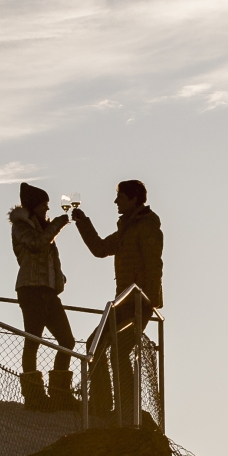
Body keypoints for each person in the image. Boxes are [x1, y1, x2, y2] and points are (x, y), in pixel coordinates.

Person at [72, 179, 163, 428]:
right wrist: (83, 222)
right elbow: (100, 248)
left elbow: (155, 264)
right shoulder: (126, 228)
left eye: (120, 197)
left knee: (120, 352)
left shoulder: (147, 227)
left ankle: (126, 408)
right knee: (95, 345)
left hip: (138, 302)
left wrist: (149, 300)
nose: (115, 202)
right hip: (123, 301)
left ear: (133, 199)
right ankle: (103, 404)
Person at [10, 183, 76, 410]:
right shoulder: (21, 226)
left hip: (47, 291)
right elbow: (36, 245)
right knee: (33, 340)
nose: (48, 210)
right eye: (44, 206)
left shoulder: (43, 228)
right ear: (34, 206)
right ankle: (34, 396)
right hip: (30, 290)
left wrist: (59, 280)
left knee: (67, 341)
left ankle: (60, 395)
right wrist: (58, 224)